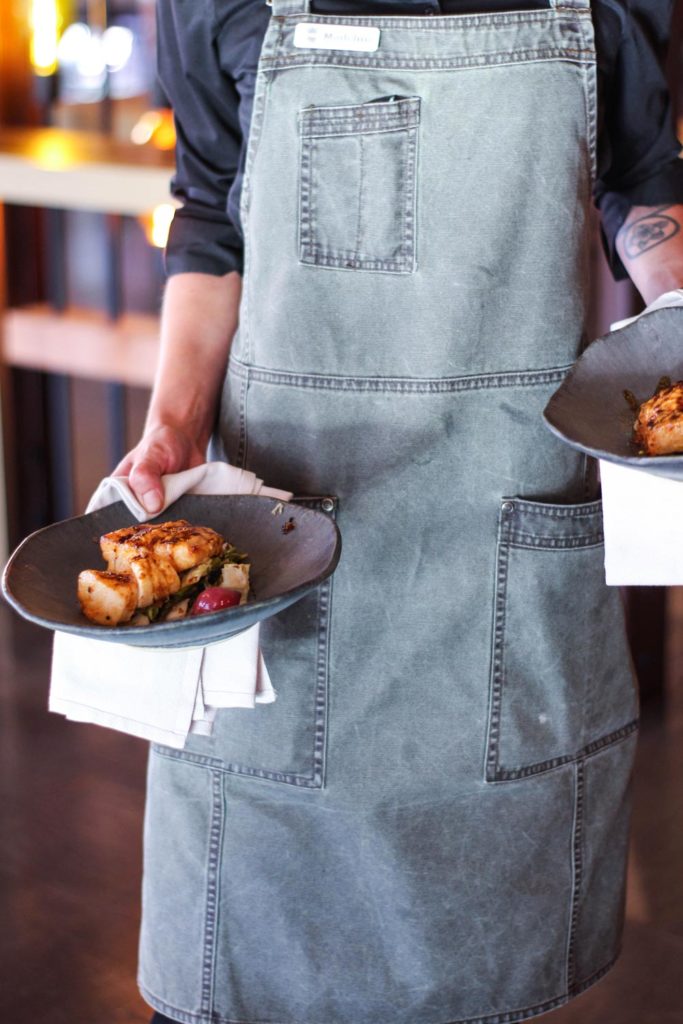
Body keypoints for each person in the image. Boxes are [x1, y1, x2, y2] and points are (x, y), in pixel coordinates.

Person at [116, 2, 683, 1022]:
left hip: (498, 550)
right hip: (282, 565)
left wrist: (676, 344)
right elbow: (211, 211)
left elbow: (639, 175)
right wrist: (170, 427)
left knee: (488, 979)